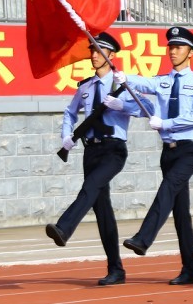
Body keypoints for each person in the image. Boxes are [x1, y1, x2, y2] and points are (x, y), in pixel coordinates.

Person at [45, 32, 152, 286]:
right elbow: (70, 113)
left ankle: (64, 228)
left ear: (111, 55)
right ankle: (116, 270)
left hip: (113, 150)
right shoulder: (86, 86)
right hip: (91, 150)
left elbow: (149, 109)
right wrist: (66, 137)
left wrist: (122, 106)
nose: (93, 55)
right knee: (103, 212)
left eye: (99, 51)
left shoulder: (122, 84)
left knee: (90, 187)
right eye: (92, 51)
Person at [119, 27, 193, 285]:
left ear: (190, 52)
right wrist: (122, 76)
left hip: (189, 150)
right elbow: (141, 82)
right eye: (171, 47)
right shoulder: (162, 81)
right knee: (181, 215)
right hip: (167, 153)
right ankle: (189, 270)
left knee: (167, 190)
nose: (173, 51)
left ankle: (143, 238)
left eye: (179, 47)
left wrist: (166, 124)